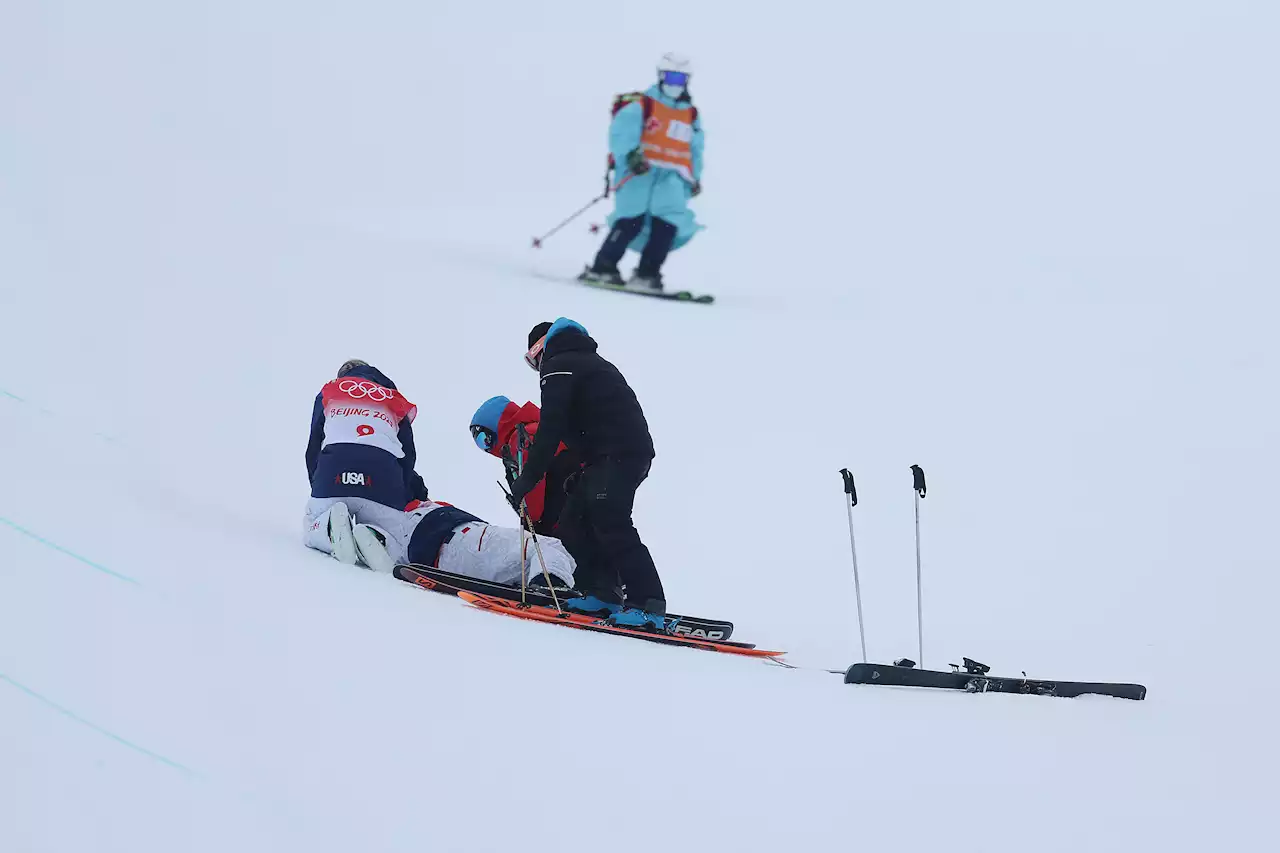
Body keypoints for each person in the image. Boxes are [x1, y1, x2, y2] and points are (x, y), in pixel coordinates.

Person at [509, 318, 665, 628]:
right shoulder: (584, 361)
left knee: (611, 522)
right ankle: (603, 592)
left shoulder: (559, 364)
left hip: (617, 455)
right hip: (612, 455)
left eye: (532, 360)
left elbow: (551, 428)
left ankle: (648, 603)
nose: (536, 367)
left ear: (540, 349)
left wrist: (528, 479)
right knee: (573, 521)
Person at [578, 52, 705, 292]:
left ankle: (648, 274)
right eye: (670, 77)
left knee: (666, 227)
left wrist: (695, 178)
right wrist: (631, 156)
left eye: (680, 79)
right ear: (660, 76)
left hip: (671, 180)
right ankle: (603, 267)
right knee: (629, 222)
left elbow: (695, 149)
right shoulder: (643, 105)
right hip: (640, 175)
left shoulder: (690, 115)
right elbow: (622, 134)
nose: (674, 84)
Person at [303, 359, 429, 573]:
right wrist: (406, 495)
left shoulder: (330, 391)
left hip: (332, 474)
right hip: (383, 481)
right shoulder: (393, 399)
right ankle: (377, 537)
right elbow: (408, 456)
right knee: (396, 533)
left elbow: (315, 444)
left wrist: (319, 485)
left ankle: (328, 526)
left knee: (311, 520)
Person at [469, 395, 582, 537]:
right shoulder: (540, 428)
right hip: (579, 500)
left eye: (484, 439)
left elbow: (533, 487)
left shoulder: (520, 438)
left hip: (566, 515)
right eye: (481, 444)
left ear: (497, 423)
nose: (487, 448)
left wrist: (534, 524)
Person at [400, 498, 575, 588]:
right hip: (466, 539)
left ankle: (547, 584)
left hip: (449, 562)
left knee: (537, 563)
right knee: (550, 547)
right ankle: (552, 585)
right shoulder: (411, 508)